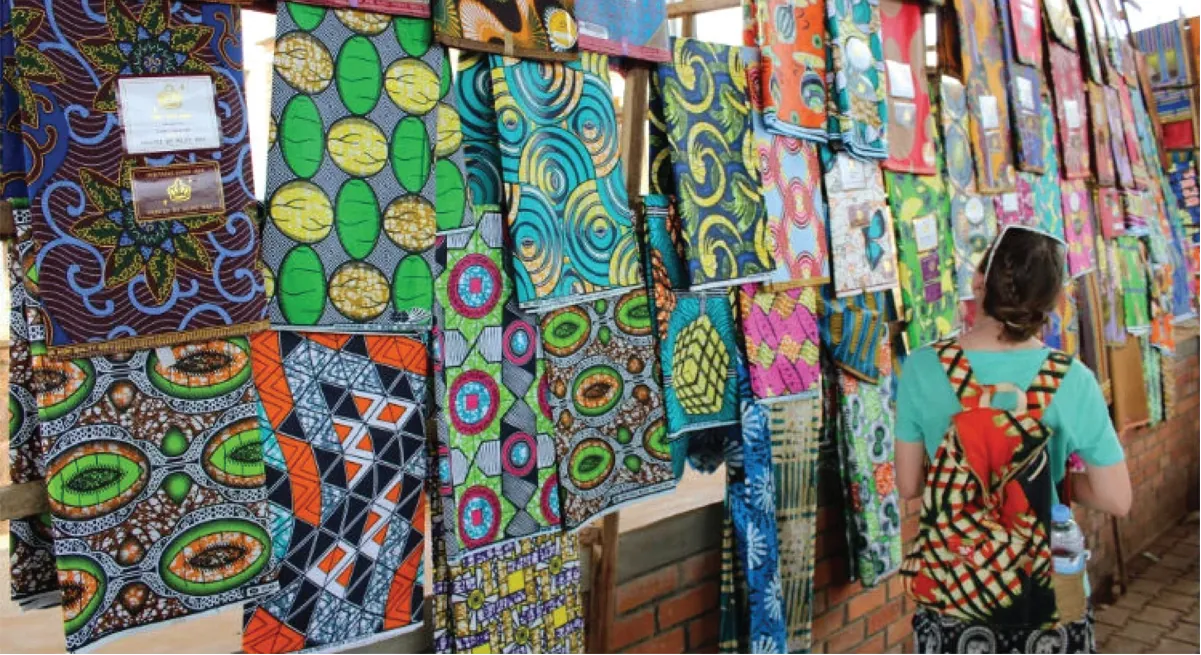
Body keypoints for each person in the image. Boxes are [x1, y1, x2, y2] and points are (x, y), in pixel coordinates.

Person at [894, 225, 1132, 654]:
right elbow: (1117, 499)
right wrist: (1052, 479)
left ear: (978, 282)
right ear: (1051, 302)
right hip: (1051, 592)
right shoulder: (1073, 379)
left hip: (955, 588)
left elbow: (910, 485)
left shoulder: (922, 367)